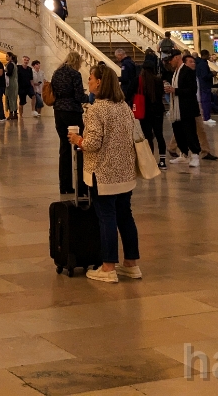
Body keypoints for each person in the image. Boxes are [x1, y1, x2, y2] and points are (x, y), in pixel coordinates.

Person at [68, 68, 141, 284]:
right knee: (125, 216)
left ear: (99, 82)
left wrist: (76, 139)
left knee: (106, 217)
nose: (88, 82)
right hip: (125, 171)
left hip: (103, 173)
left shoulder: (96, 109)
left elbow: (92, 143)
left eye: (90, 78)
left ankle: (108, 266)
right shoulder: (123, 106)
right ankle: (131, 263)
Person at [50, 52, 87, 194]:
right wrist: (88, 98)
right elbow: (79, 96)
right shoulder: (74, 74)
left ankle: (64, 186)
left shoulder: (56, 73)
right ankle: (81, 187)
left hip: (58, 112)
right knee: (79, 146)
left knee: (64, 148)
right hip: (72, 112)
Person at [164, 53, 201, 167]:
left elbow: (192, 89)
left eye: (171, 60)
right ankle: (184, 154)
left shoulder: (187, 71)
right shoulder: (175, 72)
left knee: (190, 132)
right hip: (176, 108)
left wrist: (175, 90)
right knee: (178, 132)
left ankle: (195, 155)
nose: (170, 63)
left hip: (187, 108)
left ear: (176, 58)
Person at [138, 53, 167, 169]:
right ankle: (163, 161)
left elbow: (129, 93)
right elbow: (161, 95)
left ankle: (150, 160)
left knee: (148, 136)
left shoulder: (139, 81)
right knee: (159, 135)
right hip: (158, 111)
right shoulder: (158, 81)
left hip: (144, 112)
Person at [4, 51, 19, 120]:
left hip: (11, 83)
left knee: (10, 98)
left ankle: (11, 113)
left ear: (10, 57)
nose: (6, 57)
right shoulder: (14, 64)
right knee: (13, 99)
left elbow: (9, 73)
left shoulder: (10, 64)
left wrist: (5, 72)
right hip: (14, 83)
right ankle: (15, 113)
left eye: (7, 56)